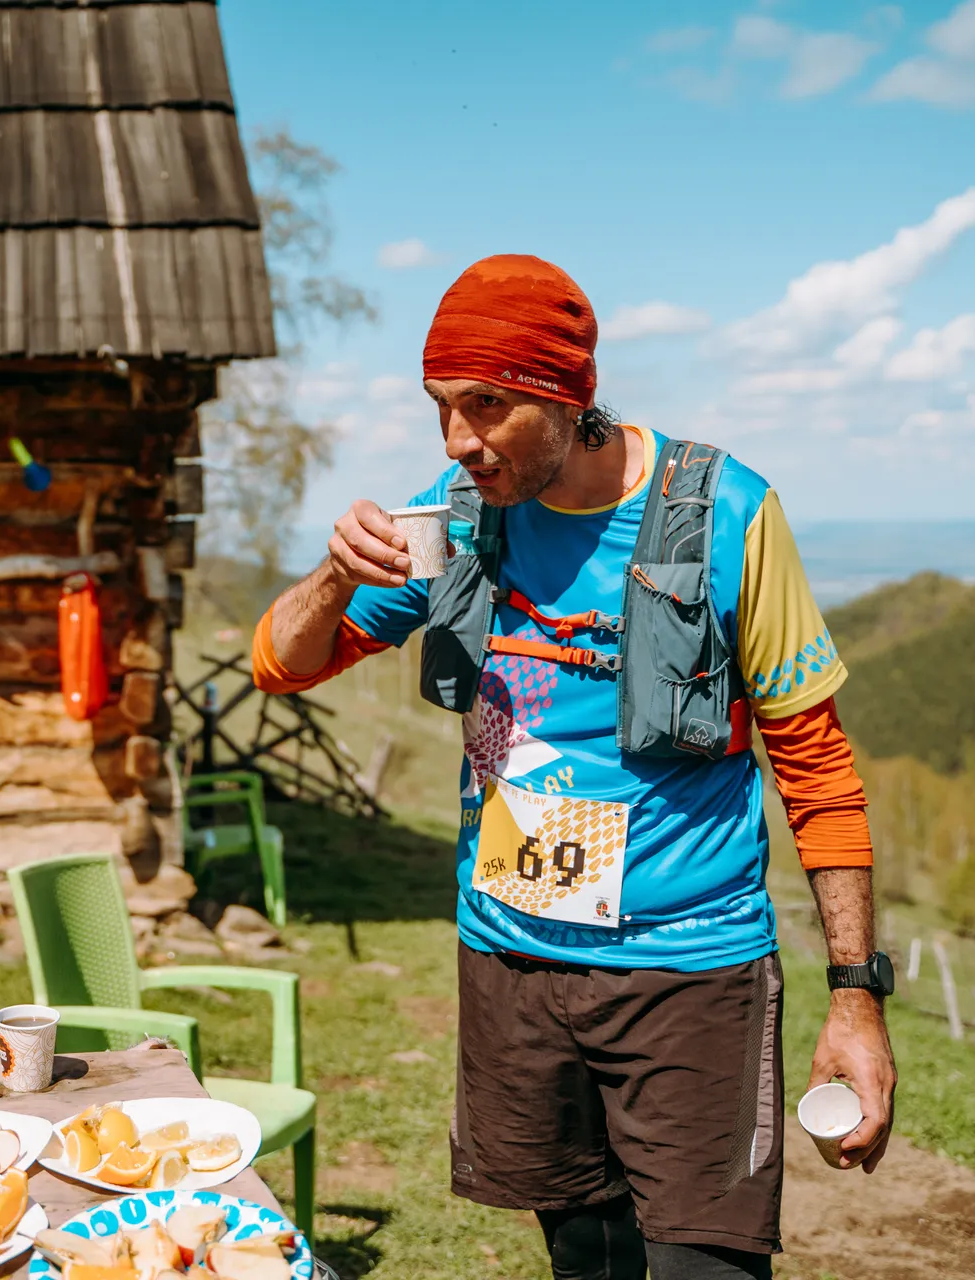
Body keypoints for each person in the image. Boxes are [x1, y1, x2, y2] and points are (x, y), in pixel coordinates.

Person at [252, 255, 896, 1280]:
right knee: (586, 1264)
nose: (459, 439)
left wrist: (857, 996)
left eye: (488, 405)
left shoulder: (727, 511)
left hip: (687, 973)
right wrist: (336, 570)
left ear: (569, 394)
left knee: (705, 1269)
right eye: (442, 407)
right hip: (512, 963)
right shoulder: (454, 512)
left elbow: (817, 768)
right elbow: (279, 663)